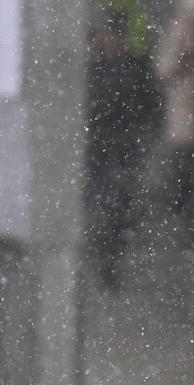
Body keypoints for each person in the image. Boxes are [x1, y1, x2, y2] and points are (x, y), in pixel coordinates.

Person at [87, 2, 161, 288]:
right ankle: (104, 258)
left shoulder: (134, 68)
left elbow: (152, 107)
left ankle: (109, 259)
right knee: (107, 205)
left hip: (122, 148)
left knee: (118, 207)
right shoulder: (96, 68)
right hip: (104, 148)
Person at [158, 0, 194, 238]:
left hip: (187, 117)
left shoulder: (186, 14)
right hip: (187, 113)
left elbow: (167, 66)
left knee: (183, 179)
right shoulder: (187, 15)